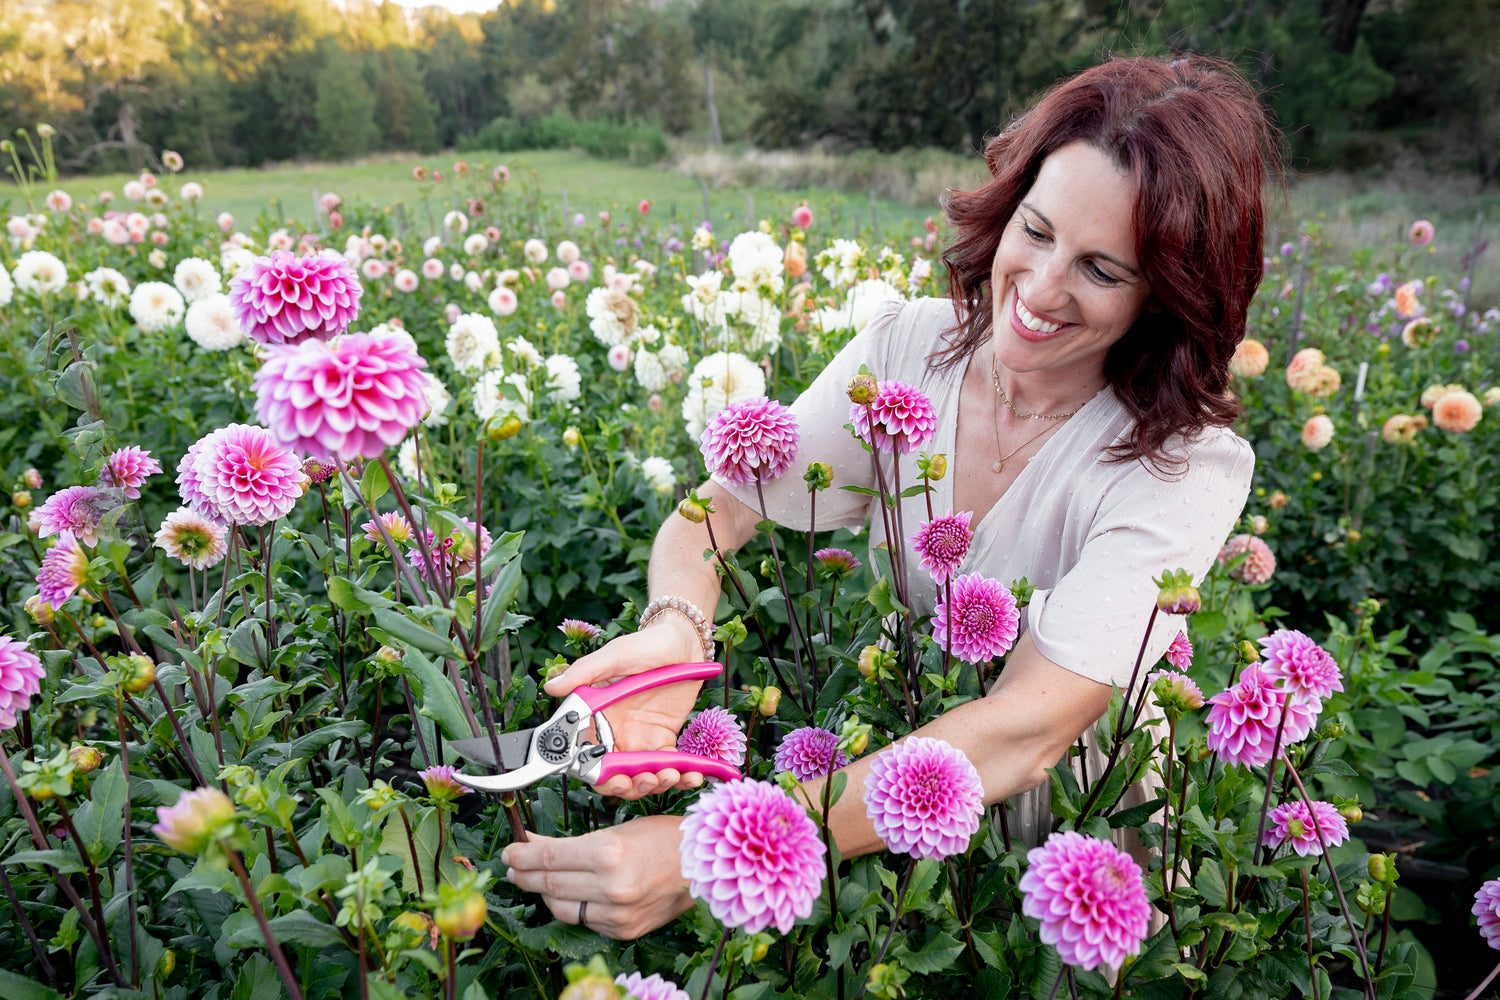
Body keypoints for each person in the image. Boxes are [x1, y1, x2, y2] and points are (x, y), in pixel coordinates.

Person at [503, 54, 1279, 941]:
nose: (1040, 286)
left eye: (1102, 270)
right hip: (877, 762)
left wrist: (716, 847)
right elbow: (714, 513)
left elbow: (1025, 733)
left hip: (1073, 824)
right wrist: (677, 627)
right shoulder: (911, 350)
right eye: (1035, 229)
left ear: (1168, 297)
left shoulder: (1183, 464)